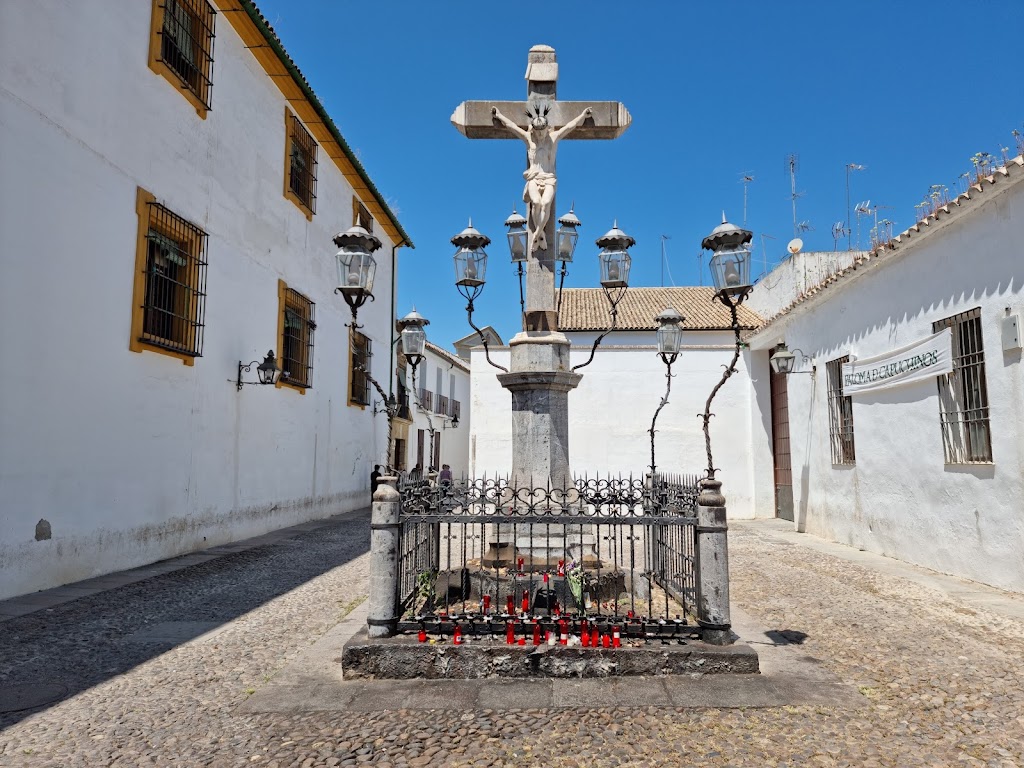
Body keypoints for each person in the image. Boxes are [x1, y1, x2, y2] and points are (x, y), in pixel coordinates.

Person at [491, 104, 592, 251]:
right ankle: (540, 234)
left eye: (542, 131)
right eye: (537, 132)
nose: (539, 135)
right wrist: (499, 115)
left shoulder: (554, 138)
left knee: (545, 203)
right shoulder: (529, 139)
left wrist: (583, 116)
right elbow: (511, 126)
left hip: (549, 178)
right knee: (536, 203)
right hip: (534, 178)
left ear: (547, 128)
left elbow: (570, 126)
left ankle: (537, 234)